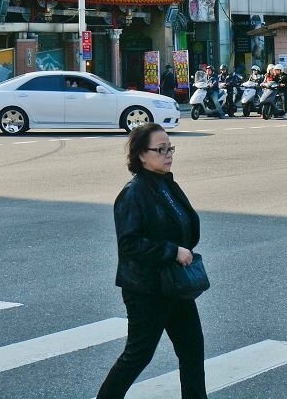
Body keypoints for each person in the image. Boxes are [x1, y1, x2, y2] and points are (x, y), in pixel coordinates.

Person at [95, 123, 206, 399]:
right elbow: (129, 244)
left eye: (170, 148)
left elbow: (187, 223)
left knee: (192, 350)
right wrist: (172, 251)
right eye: (161, 149)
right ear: (142, 155)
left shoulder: (166, 184)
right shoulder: (134, 193)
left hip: (174, 285)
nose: (168, 154)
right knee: (138, 354)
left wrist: (183, 246)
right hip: (146, 290)